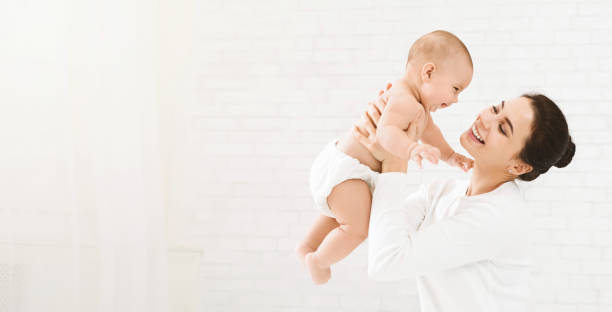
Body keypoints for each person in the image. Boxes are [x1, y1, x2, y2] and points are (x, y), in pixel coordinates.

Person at [352, 90, 575, 311]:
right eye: (496, 108)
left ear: (518, 167)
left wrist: (395, 157)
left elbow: (386, 263)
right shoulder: (443, 192)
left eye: (502, 128)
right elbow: (379, 229)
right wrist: (379, 141)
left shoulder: (498, 217)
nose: (486, 119)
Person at [296, 30, 474, 285]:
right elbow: (386, 133)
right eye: (455, 89)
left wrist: (450, 156)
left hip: (342, 166)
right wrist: (411, 149)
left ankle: (307, 246)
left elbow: (430, 132)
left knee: (342, 212)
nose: (456, 99)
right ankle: (319, 260)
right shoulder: (406, 101)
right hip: (349, 172)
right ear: (429, 72)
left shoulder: (413, 101)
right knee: (358, 228)